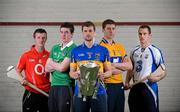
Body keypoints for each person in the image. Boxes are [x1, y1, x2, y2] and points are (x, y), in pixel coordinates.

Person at [70, 21, 112, 112]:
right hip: (80, 92)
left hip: (99, 91)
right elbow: (71, 73)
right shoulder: (75, 51)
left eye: (90, 31)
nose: (88, 33)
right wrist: (76, 74)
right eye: (85, 31)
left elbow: (109, 71)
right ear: (82, 33)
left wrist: (103, 75)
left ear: (94, 32)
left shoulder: (103, 50)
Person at [125, 25, 167, 112]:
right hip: (135, 87)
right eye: (140, 34)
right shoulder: (134, 51)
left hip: (149, 88)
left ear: (149, 35)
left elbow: (163, 70)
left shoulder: (155, 51)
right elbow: (130, 69)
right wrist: (127, 82)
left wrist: (156, 78)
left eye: (145, 34)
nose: (142, 36)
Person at [99, 19, 132, 112]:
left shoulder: (120, 47)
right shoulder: (100, 48)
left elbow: (130, 66)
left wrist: (114, 65)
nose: (111, 31)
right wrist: (122, 68)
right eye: (108, 28)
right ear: (103, 30)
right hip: (107, 85)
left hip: (119, 86)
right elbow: (105, 71)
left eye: (113, 28)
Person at [16, 28, 50, 112]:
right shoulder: (26, 55)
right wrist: (21, 79)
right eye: (38, 37)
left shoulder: (50, 55)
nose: (41, 40)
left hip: (46, 93)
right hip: (31, 92)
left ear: (46, 39)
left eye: (43, 38)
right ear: (34, 38)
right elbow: (17, 71)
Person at [45, 22, 76, 112]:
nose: (63, 34)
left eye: (66, 32)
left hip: (66, 86)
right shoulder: (55, 48)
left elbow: (62, 68)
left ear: (72, 34)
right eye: (61, 32)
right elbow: (46, 68)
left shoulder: (73, 48)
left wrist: (52, 62)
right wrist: (59, 64)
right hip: (54, 86)